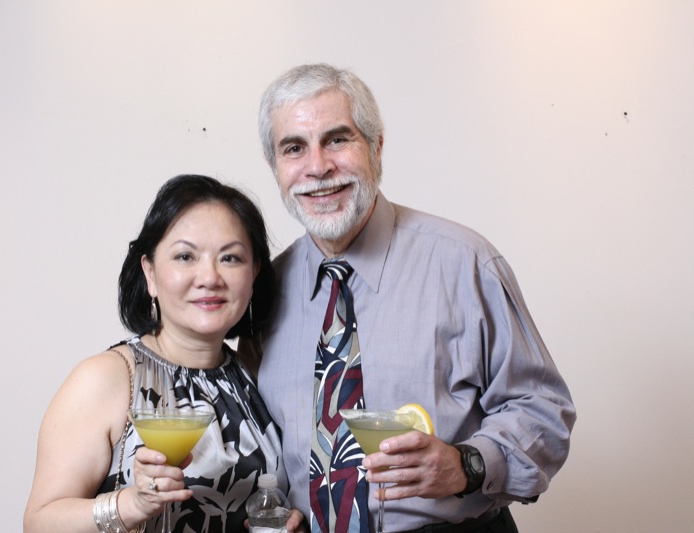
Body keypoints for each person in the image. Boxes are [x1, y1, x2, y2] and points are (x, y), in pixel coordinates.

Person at [244, 64, 577, 532]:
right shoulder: (263, 291)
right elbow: (266, 446)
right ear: (275, 166)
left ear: (376, 147)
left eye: (337, 139)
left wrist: (467, 465)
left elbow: (543, 408)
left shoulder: (464, 263)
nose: (317, 166)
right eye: (294, 148)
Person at [24, 175, 305, 533]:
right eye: (185, 256)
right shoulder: (107, 379)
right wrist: (132, 504)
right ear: (150, 273)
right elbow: (39, 522)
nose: (210, 277)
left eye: (230, 258)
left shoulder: (258, 375)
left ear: (254, 274)